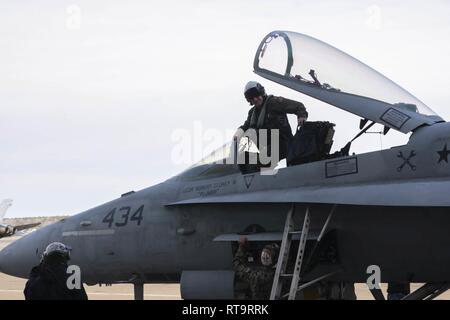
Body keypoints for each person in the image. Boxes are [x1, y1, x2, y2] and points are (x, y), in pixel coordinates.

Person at [234, 81, 308, 167]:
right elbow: (246, 126)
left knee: (262, 159)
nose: (255, 99)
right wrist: (238, 133)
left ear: (261, 93)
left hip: (283, 142)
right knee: (242, 154)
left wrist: (301, 117)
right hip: (265, 143)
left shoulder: (274, 103)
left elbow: (298, 106)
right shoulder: (252, 113)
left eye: (256, 95)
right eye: (251, 98)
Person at [24, 242, 88, 300]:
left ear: (46, 257)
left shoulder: (40, 275)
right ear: (65, 257)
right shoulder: (72, 276)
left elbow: (29, 295)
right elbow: (82, 298)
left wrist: (41, 266)